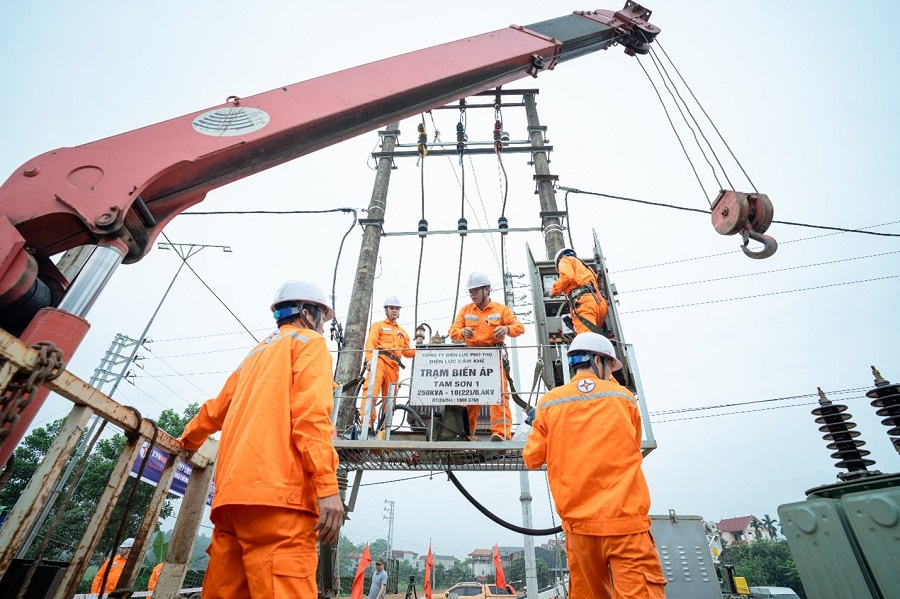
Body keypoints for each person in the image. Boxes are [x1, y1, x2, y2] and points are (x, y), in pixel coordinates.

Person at [180, 279, 345, 598]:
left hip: (230, 503)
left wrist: (185, 442)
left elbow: (215, 411)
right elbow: (311, 419)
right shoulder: (309, 343)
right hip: (279, 504)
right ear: (309, 314)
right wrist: (327, 488)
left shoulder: (254, 355)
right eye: (323, 319)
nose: (323, 328)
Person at [522, 332, 666, 599]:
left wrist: (538, 425)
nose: (611, 374)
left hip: (580, 530)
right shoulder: (624, 398)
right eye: (610, 367)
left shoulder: (550, 403)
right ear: (597, 360)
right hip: (627, 527)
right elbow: (632, 446)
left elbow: (532, 458)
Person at [449, 272, 524, 440]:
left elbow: (519, 327)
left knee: (499, 394)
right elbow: (452, 331)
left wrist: (506, 329)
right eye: (470, 291)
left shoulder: (501, 310)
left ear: (486, 289)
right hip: (472, 358)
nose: (472, 294)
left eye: (475, 290)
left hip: (493, 356)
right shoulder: (466, 310)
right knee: (469, 396)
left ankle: (501, 433)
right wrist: (462, 332)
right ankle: (467, 434)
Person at [359, 296, 416, 430]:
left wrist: (422, 351)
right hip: (379, 360)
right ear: (386, 310)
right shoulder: (378, 326)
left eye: (397, 309)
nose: (394, 311)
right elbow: (371, 343)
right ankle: (367, 424)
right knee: (372, 390)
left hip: (394, 366)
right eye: (391, 308)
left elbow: (407, 352)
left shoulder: (403, 332)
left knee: (390, 398)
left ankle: (385, 428)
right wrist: (369, 360)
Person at [550, 248, 608, 336]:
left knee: (587, 340)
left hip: (584, 303)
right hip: (599, 304)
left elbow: (567, 277)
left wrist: (553, 291)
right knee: (595, 338)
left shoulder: (564, 260)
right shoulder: (587, 267)